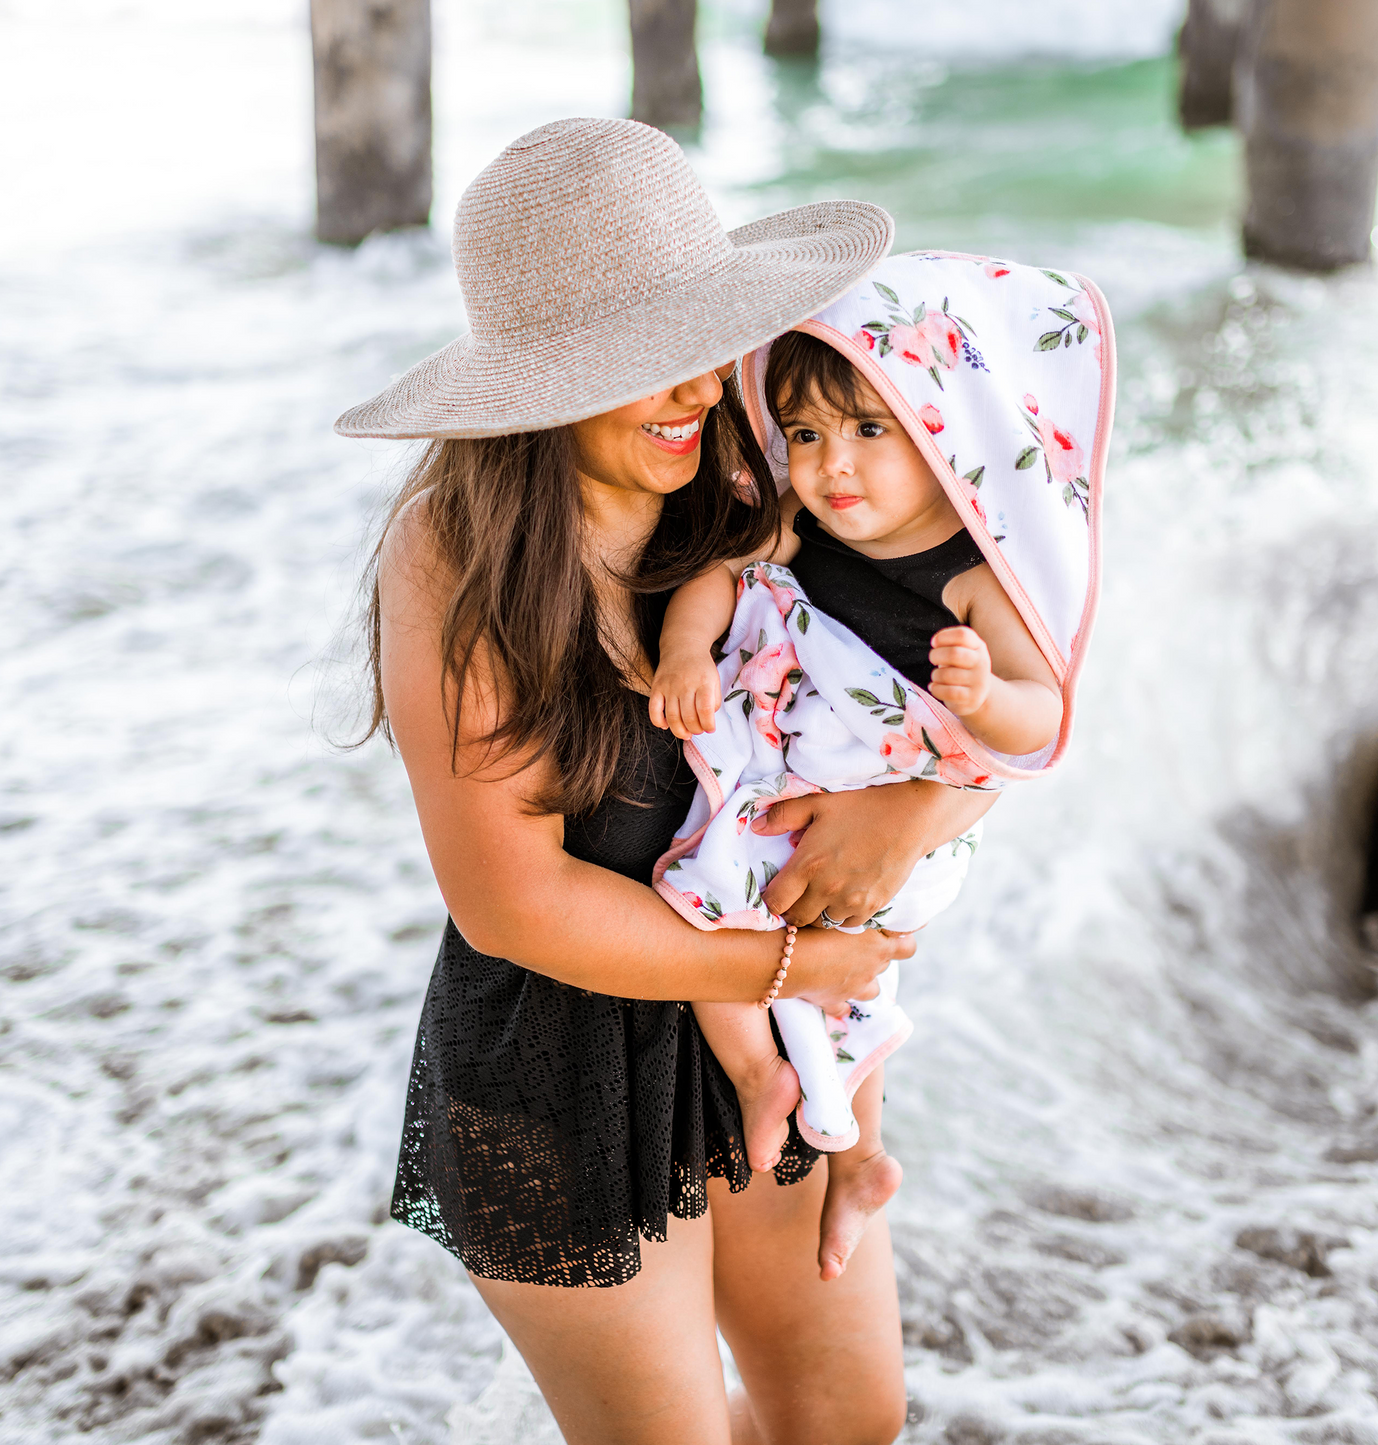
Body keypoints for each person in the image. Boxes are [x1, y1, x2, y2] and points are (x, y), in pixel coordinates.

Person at [336, 119, 998, 1445]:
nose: (693, 384)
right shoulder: (454, 556)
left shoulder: (766, 470)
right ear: (537, 381)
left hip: (765, 1026)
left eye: (703, 335)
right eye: (640, 364)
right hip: (560, 1060)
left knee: (843, 1421)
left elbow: (980, 690)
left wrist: (910, 811)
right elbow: (511, 906)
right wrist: (787, 970)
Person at [648, 310, 1066, 1280]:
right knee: (717, 917)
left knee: (826, 965)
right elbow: (723, 578)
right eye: (804, 434)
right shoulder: (802, 526)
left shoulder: (973, 575)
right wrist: (681, 651)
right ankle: (807, 1114)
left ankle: (848, 1141)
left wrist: (986, 696)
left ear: (938, 432)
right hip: (789, 781)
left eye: (868, 430)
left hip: (884, 812)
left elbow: (1041, 720)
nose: (832, 463)